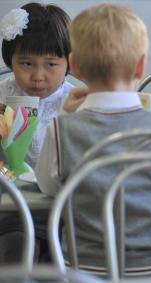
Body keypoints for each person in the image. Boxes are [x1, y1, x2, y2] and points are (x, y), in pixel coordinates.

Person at [35, 3, 151, 276]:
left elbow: (48, 188)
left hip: (84, 275)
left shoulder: (62, 130)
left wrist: (64, 115)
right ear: (141, 65)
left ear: (74, 66)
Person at [0, 2, 72, 263]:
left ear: (69, 62)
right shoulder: (2, 96)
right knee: (16, 254)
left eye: (51, 64)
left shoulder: (76, 103)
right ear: (10, 61)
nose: (38, 76)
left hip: (66, 210)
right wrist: (5, 172)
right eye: (26, 63)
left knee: (63, 260)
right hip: (12, 209)